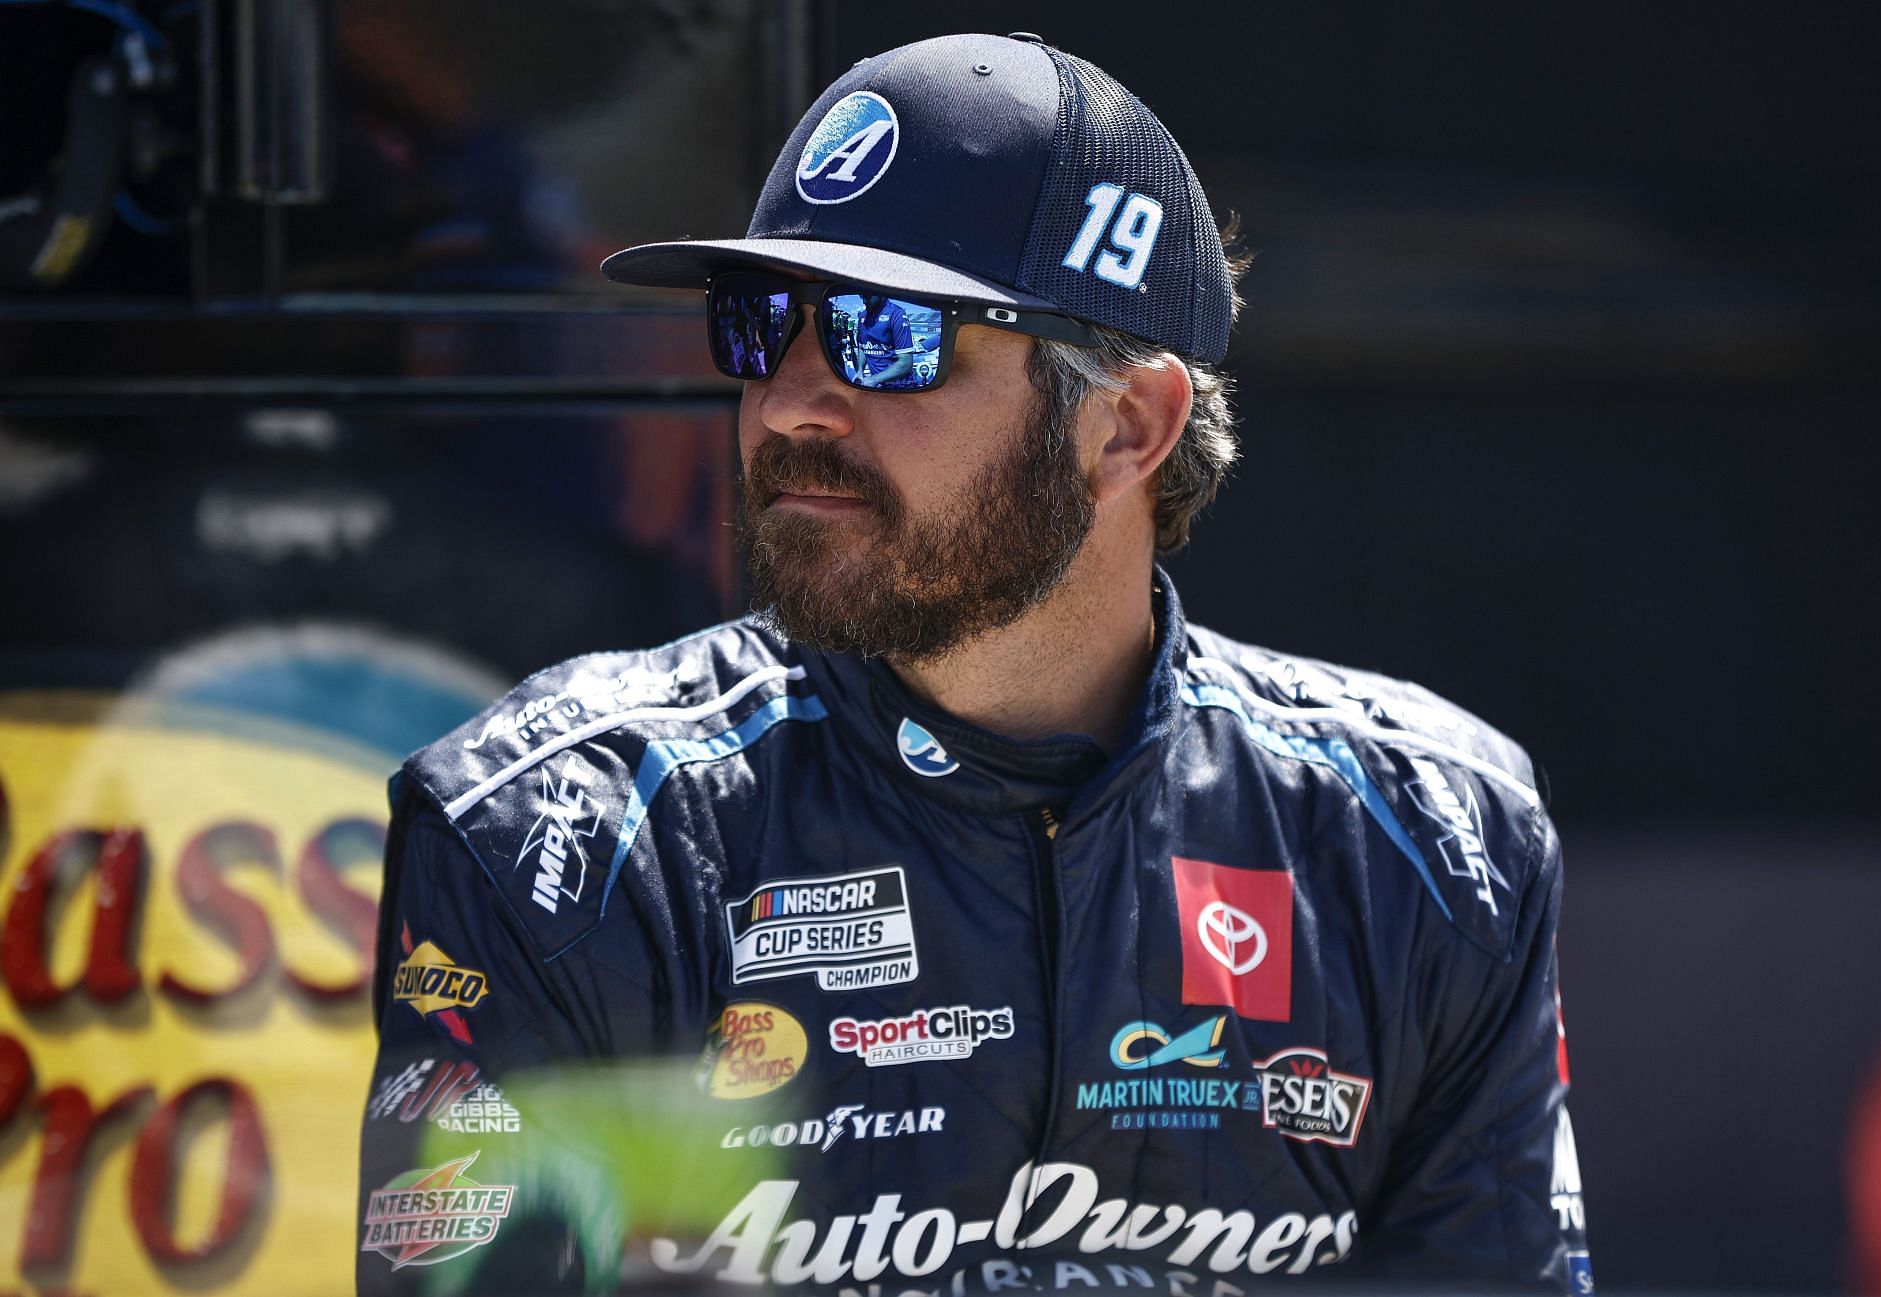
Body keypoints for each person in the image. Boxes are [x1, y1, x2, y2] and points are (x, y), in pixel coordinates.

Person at [358, 32, 1592, 1296]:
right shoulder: (561, 835)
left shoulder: (1435, 843)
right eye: (760, 323)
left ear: (1128, 425)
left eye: (888, 335)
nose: (789, 403)